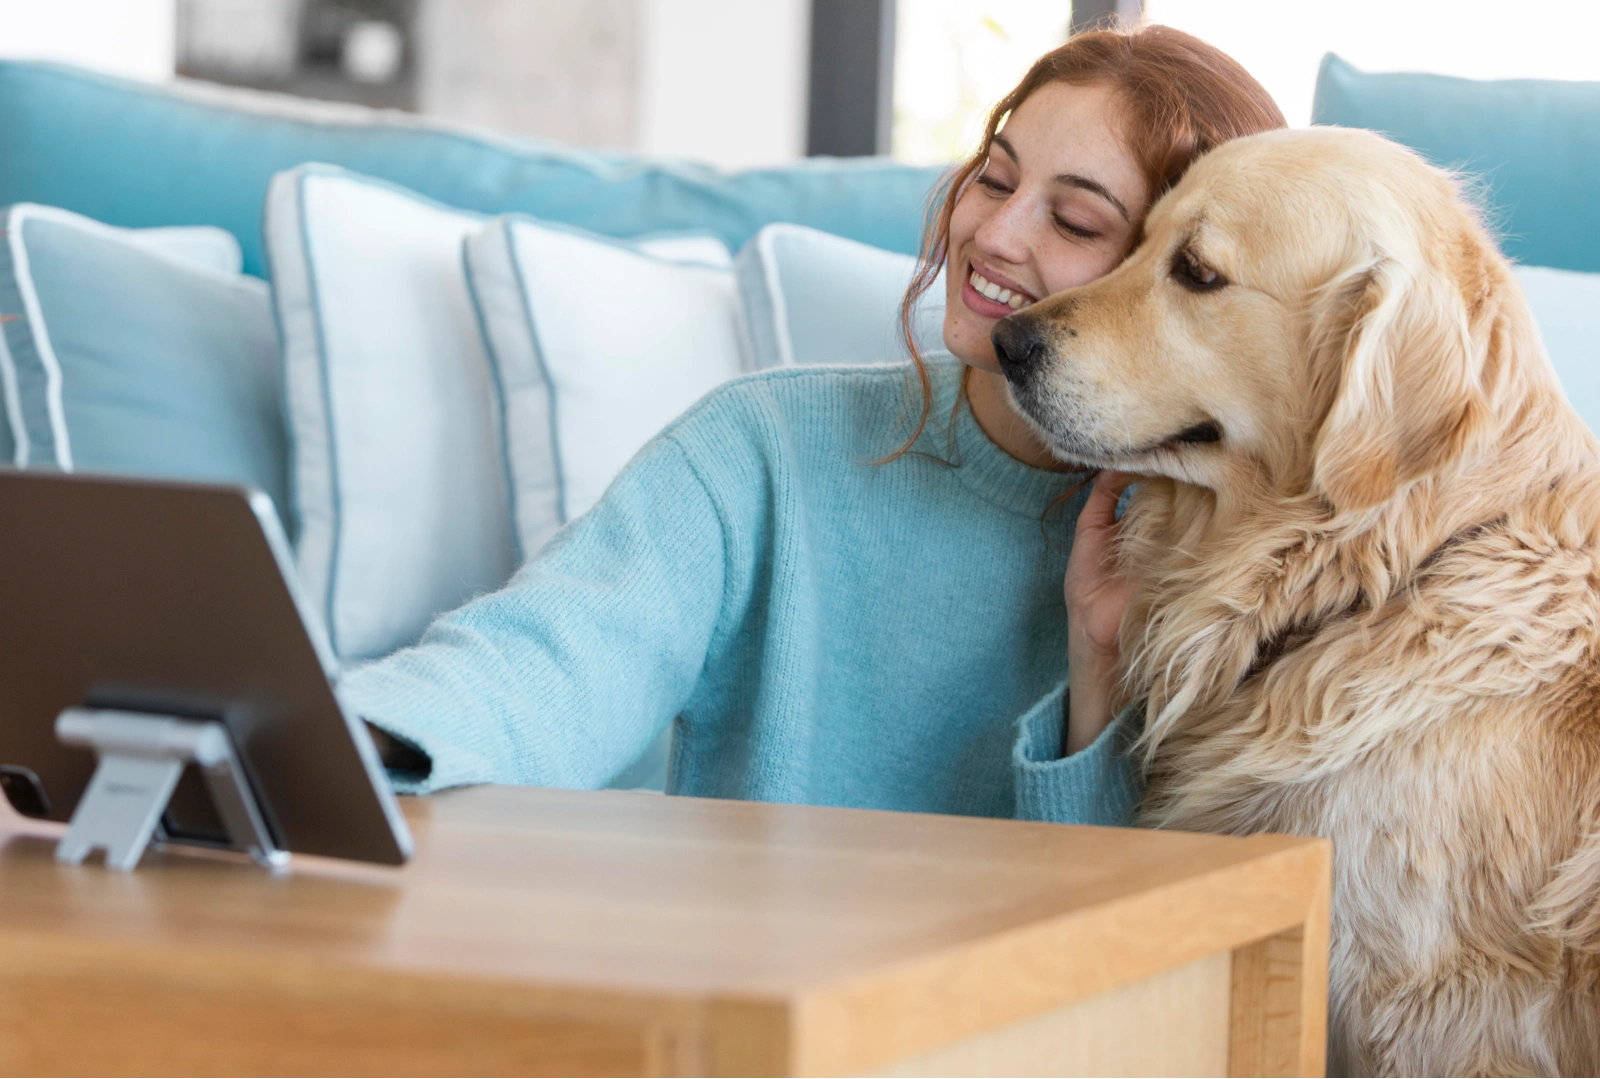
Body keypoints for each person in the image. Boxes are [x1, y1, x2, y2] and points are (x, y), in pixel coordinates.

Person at [346, 24, 1286, 824]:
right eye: (994, 180)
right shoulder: (766, 448)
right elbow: (552, 655)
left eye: (1074, 222)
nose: (994, 235)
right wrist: (348, 736)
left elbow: (1153, 943)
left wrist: (1102, 664)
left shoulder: (1234, 561)